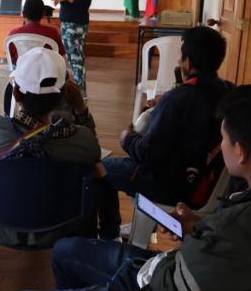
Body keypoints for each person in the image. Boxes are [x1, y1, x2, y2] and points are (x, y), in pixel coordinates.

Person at [52, 84, 251, 291]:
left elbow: (167, 283)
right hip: (181, 264)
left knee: (64, 252)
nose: (221, 145)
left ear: (241, 152)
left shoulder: (237, 231)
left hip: (154, 277)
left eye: (223, 138)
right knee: (64, 250)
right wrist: (199, 228)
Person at [98, 26, 234, 238]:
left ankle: (108, 235)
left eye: (181, 54)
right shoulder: (228, 90)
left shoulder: (178, 99)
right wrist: (177, 93)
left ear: (187, 62)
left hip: (171, 186)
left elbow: (146, 153)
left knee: (98, 169)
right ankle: (137, 229)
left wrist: (127, 138)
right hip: (206, 184)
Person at [0, 47, 118, 241]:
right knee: (100, 170)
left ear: (15, 93)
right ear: (64, 96)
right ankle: (110, 238)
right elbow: (93, 148)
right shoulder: (81, 141)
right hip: (62, 228)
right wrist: (80, 108)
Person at [53, 0, 95, 95]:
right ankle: (76, 92)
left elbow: (83, 4)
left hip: (76, 24)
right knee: (71, 59)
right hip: (67, 23)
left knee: (77, 60)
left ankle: (81, 94)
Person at [7, 0, 66, 65]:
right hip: (47, 74)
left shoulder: (13, 34)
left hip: (22, 74)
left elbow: (11, 60)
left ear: (23, 14)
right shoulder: (53, 32)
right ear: (43, 14)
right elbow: (61, 56)